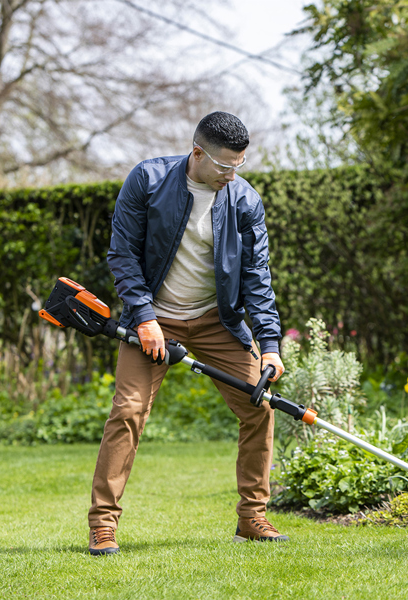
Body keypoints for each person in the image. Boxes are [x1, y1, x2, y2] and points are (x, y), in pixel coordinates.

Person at [88, 112, 287, 555]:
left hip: (218, 321)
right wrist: (143, 316)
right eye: (224, 166)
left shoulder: (244, 200)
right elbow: (122, 254)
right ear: (197, 153)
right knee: (128, 410)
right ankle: (103, 524)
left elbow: (257, 279)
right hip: (153, 317)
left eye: (239, 165)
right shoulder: (149, 179)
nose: (232, 175)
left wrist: (270, 347)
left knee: (261, 406)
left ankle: (252, 518)